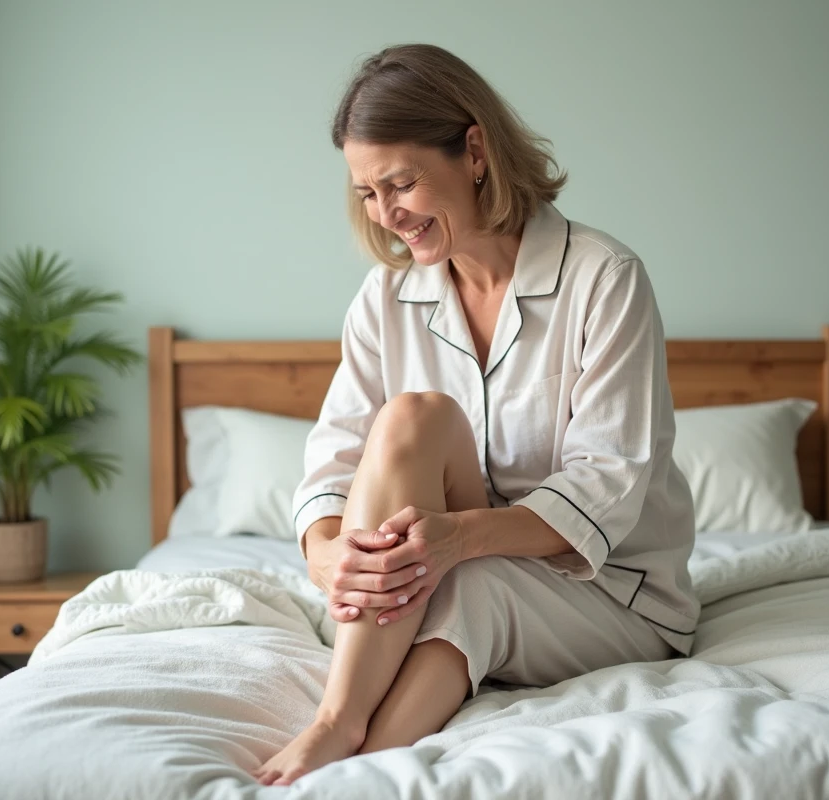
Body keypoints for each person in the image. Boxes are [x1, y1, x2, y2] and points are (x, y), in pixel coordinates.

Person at [255, 43, 698, 787]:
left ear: (474, 150)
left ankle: (348, 759)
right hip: (433, 568)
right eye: (367, 192)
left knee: (470, 584)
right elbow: (336, 458)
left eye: (401, 183)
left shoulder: (604, 279)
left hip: (612, 592)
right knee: (411, 420)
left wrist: (456, 540)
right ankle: (342, 724)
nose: (388, 215)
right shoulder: (385, 299)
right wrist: (327, 553)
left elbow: (607, 483)